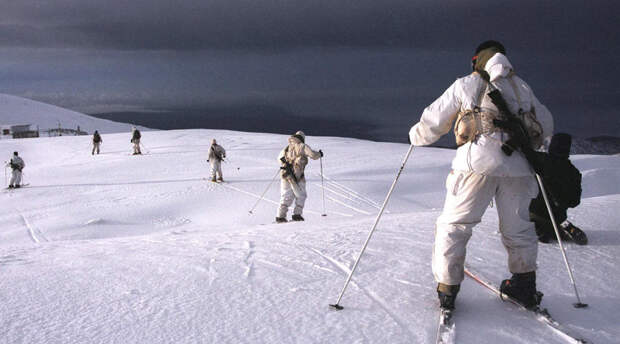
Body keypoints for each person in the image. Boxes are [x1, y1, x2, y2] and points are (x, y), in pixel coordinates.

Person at [408, 40, 554, 310]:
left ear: (477, 60)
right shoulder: (522, 87)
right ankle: (524, 285)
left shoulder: (467, 84)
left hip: (476, 165)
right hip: (520, 168)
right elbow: (546, 124)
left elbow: (433, 121)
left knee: (455, 226)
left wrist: (416, 136)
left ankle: (448, 289)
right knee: (519, 228)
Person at [528, 133, 587, 245]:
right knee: (555, 222)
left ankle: (539, 229)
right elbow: (575, 202)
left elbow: (525, 151)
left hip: (534, 213)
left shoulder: (541, 159)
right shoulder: (574, 172)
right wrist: (560, 199)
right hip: (557, 217)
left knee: (524, 224)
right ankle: (562, 227)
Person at [276, 131, 323, 223]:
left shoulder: (286, 148)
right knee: (301, 195)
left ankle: (280, 217)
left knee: (286, 196)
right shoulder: (302, 146)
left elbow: (279, 159)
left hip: (286, 175)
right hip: (298, 176)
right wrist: (320, 154)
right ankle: (297, 215)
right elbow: (313, 155)